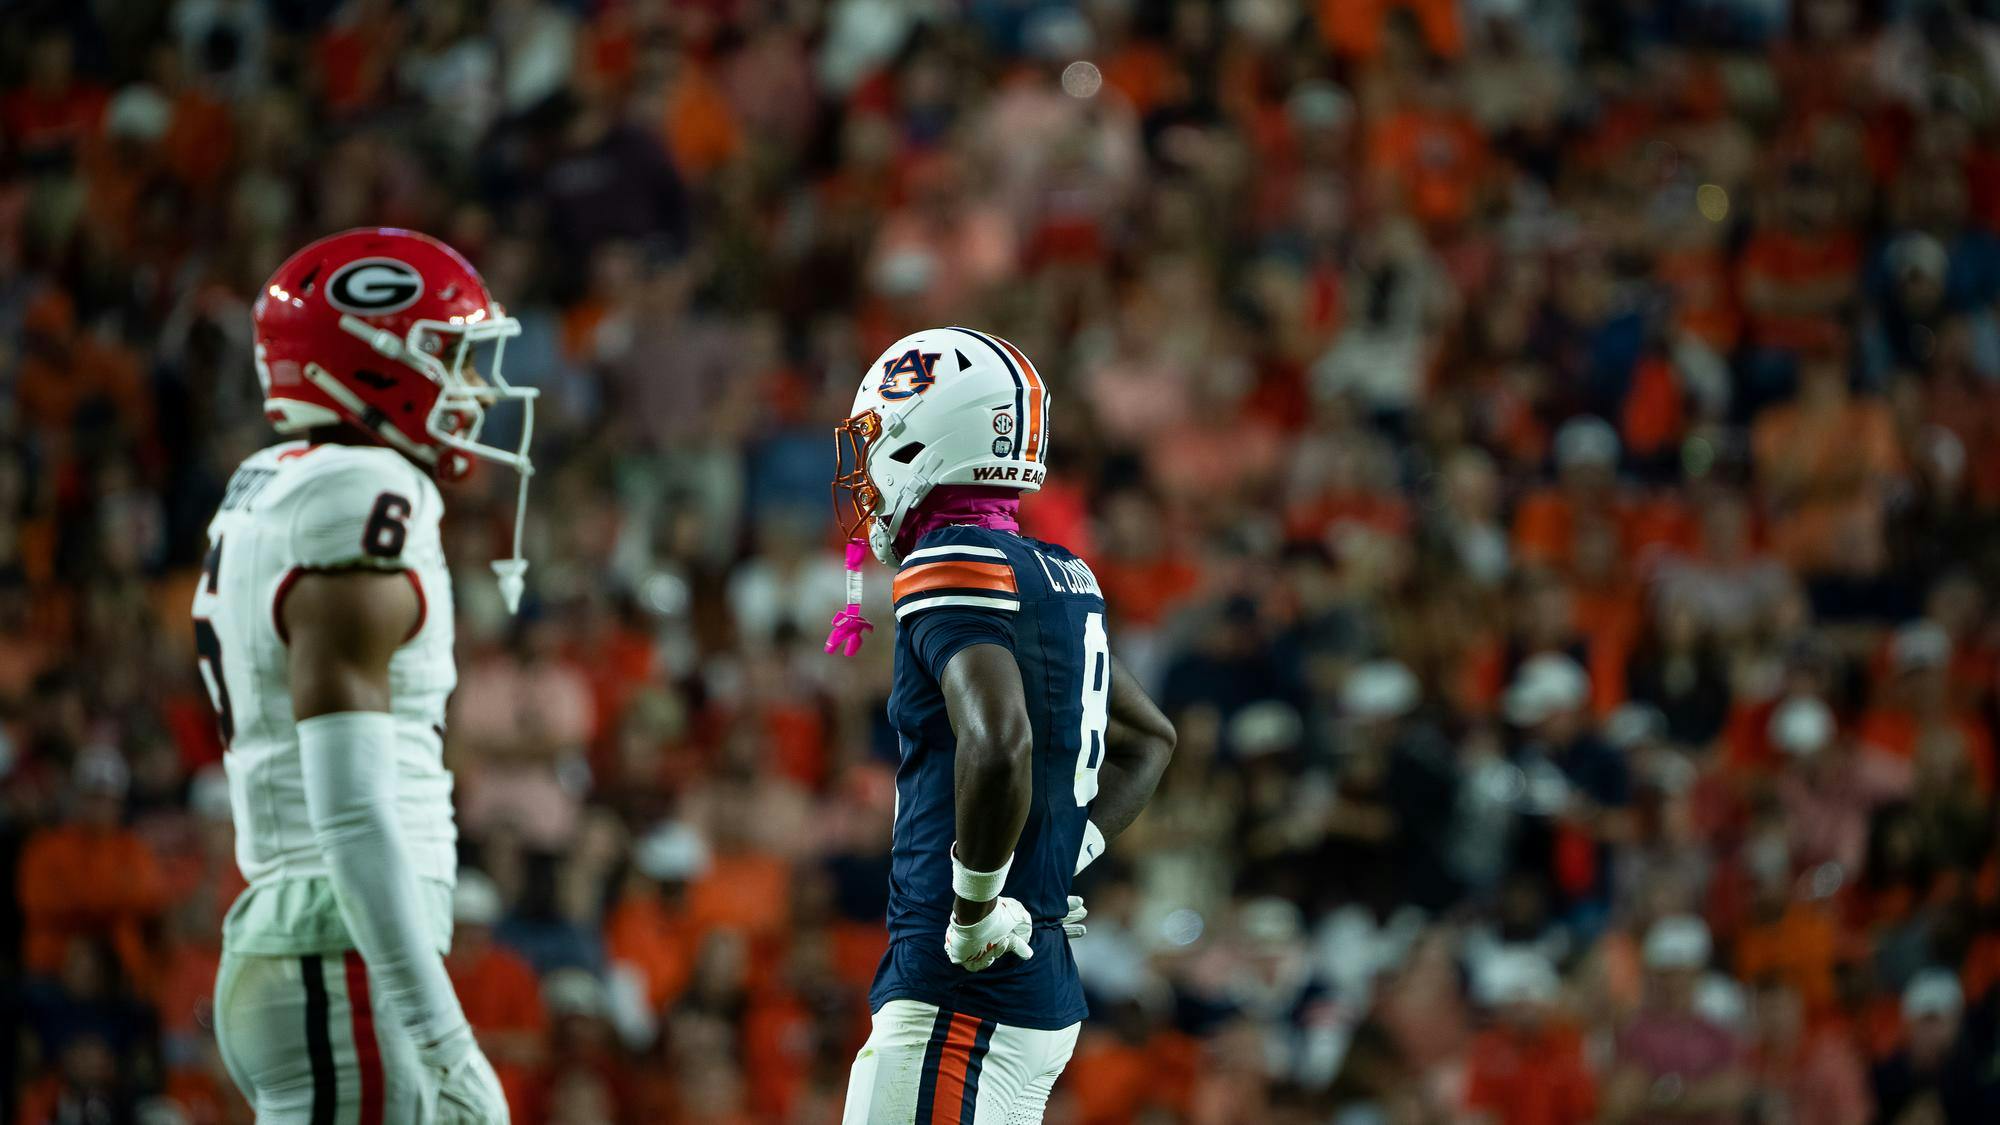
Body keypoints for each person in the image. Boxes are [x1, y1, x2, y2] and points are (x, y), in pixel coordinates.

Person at [195, 227, 540, 1123]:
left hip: (319, 942)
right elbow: (349, 805)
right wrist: (445, 1039)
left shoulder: (279, 481)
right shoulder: (362, 493)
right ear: (376, 360)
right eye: (454, 360)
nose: (474, 390)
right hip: (339, 950)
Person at [828, 328, 1177, 1123]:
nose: (866, 464)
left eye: (879, 434)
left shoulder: (949, 560)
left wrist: (977, 907)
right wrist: (1062, 858)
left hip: (962, 992)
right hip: (1031, 981)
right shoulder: (1061, 571)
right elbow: (1150, 740)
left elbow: (1000, 741)